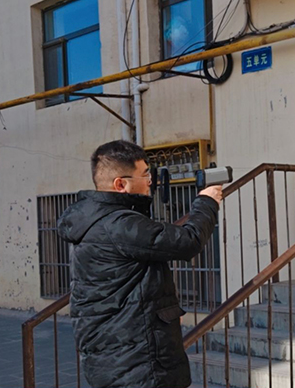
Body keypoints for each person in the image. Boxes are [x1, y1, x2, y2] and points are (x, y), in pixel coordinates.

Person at [58, 140, 223, 388]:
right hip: (138, 363)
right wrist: (207, 202)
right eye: (145, 174)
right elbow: (188, 241)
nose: (150, 181)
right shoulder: (119, 224)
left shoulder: (94, 221)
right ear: (120, 184)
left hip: (115, 354)